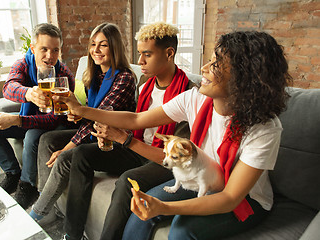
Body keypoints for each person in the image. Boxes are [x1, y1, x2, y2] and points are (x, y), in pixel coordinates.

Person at [55, 31, 292, 240]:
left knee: (181, 230)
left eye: (216, 64)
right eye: (210, 60)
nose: (204, 68)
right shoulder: (195, 99)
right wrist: (82, 110)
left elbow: (230, 197)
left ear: (245, 78)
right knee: (140, 211)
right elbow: (136, 119)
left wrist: (164, 208)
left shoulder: (264, 128)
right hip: (200, 177)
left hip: (245, 200)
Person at [38, 22, 196, 240]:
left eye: (146, 55)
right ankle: (72, 235)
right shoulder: (145, 82)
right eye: (139, 54)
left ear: (169, 53)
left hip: (161, 160)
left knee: (126, 181)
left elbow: (173, 159)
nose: (139, 62)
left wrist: (122, 138)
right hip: (137, 147)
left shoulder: (187, 93)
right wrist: (109, 135)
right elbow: (134, 119)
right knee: (82, 154)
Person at [28, 22, 137, 214]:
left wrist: (67, 147)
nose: (96, 50)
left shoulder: (124, 79)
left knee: (66, 155)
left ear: (115, 47)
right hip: (93, 131)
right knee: (46, 139)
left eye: (103, 45)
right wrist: (77, 114)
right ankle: (46, 200)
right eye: (93, 44)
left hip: (112, 140)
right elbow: (89, 114)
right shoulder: (93, 76)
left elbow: (100, 119)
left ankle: (38, 212)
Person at [0, 23, 75, 208]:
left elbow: (54, 119)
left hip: (54, 124)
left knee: (31, 135)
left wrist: (17, 119)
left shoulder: (63, 75)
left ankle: (27, 185)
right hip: (30, 118)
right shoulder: (23, 64)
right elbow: (8, 87)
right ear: (33, 48)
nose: (50, 56)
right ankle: (13, 173)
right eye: (44, 49)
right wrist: (28, 93)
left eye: (55, 50)